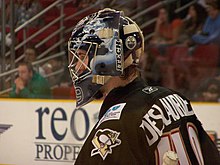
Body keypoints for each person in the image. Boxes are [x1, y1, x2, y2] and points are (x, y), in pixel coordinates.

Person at [68, 8, 220, 164]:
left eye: (82, 56)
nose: (78, 67)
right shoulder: (175, 98)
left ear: (107, 57)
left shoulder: (116, 125)